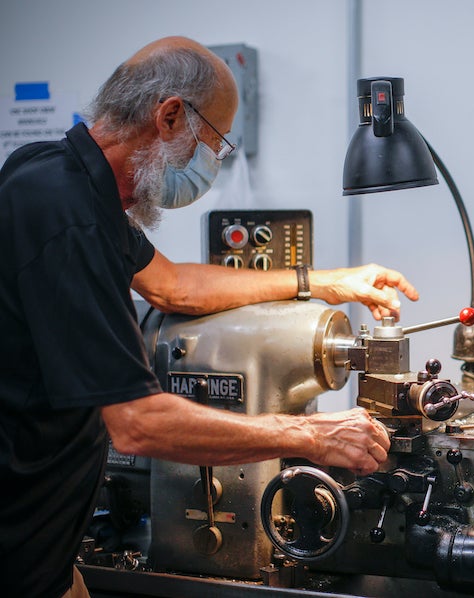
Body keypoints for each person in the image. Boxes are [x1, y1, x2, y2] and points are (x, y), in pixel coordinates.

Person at [0, 36, 420, 598]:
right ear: (170, 115)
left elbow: (176, 286)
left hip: (48, 553)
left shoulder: (58, 177)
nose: (212, 165)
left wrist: (322, 282)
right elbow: (138, 422)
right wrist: (308, 433)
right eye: (215, 144)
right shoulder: (67, 217)